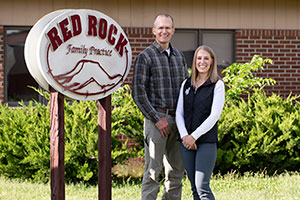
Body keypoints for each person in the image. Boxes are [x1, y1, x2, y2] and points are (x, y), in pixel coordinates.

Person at [132, 13, 188, 200]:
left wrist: (185, 121)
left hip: (178, 122)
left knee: (176, 172)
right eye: (160, 28)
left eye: (167, 28)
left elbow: (185, 90)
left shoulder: (179, 56)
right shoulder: (145, 57)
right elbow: (139, 94)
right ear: (154, 31)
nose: (164, 31)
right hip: (157, 122)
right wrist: (157, 118)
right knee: (152, 172)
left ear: (173, 31)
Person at [175, 45, 225, 200]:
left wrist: (194, 137)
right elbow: (179, 113)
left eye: (206, 58)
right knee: (194, 189)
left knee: (202, 187)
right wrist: (185, 136)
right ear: (194, 61)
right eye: (199, 58)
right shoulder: (186, 84)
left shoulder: (217, 84)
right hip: (186, 142)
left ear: (211, 62)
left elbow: (214, 115)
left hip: (206, 142)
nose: (202, 61)